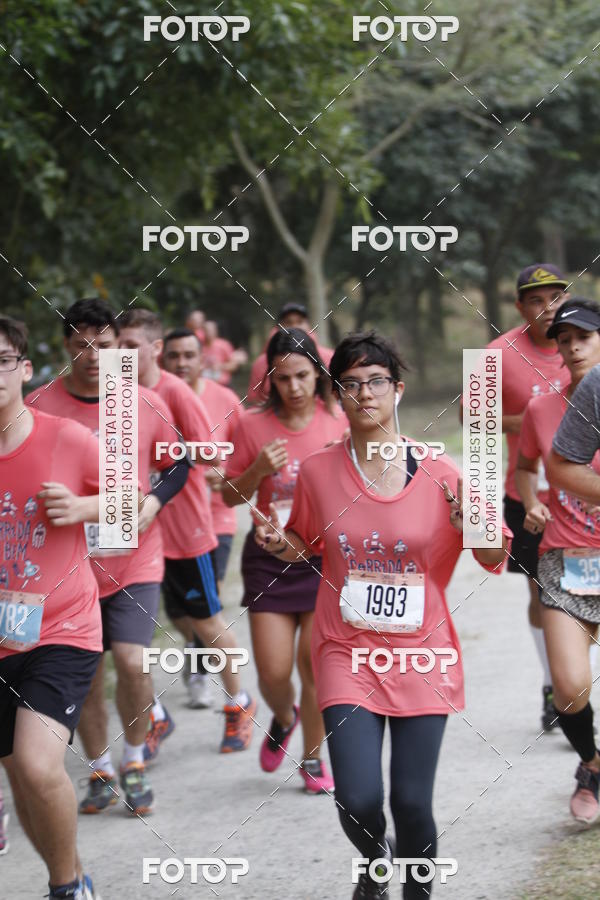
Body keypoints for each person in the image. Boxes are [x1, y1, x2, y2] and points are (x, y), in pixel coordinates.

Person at [256, 331, 510, 898]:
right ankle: (375, 863)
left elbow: (494, 555)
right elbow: (305, 540)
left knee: (412, 802)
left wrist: (475, 520)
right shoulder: (319, 472)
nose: (364, 393)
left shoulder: (443, 472)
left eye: (376, 381)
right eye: (350, 384)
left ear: (397, 389)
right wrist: (280, 542)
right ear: (337, 394)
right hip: (345, 650)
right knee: (359, 797)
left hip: (425, 654)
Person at [27, 299, 188, 816]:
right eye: (81, 344)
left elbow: (179, 461)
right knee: (91, 678)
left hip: (135, 559)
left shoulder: (140, 401)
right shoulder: (39, 405)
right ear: (66, 347)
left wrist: (155, 502)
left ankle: (135, 758)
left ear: (120, 346)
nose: (94, 355)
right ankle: (99, 767)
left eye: (104, 344)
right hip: (68, 568)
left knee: (133, 662)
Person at [118, 309, 256, 751]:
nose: (121, 355)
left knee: (207, 622)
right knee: (145, 630)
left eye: (131, 346)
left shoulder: (173, 392)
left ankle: (239, 701)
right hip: (133, 538)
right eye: (115, 347)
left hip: (185, 530)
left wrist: (163, 460)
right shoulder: (115, 394)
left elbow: (213, 452)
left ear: (152, 348)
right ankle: (154, 716)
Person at [0, 316, 102, 899]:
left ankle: (68, 888)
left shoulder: (66, 437)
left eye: (3, 361)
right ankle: (65, 874)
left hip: (61, 628)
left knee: (39, 767)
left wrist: (85, 510)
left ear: (25, 368)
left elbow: (130, 507)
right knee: (22, 778)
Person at [223, 328, 347, 793]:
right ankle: (282, 714)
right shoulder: (251, 425)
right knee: (274, 672)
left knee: (313, 665)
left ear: (318, 374)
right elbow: (228, 494)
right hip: (269, 559)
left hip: (324, 557)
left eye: (302, 376)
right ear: (269, 381)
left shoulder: (338, 421)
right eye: (283, 379)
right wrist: (257, 469)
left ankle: (313, 759)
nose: (293, 388)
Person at [479, 264, 570, 731]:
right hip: (528, 494)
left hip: (586, 496)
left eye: (555, 297)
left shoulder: (586, 343)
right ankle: (554, 683)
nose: (548, 307)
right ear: (520, 307)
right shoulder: (496, 353)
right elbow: (469, 419)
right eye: (536, 300)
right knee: (543, 592)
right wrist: (532, 419)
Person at [162, 327, 242, 708]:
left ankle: (202, 673)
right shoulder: (151, 399)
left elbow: (246, 452)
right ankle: (196, 655)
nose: (181, 363)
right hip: (168, 521)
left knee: (207, 606)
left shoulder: (224, 399)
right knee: (180, 612)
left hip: (216, 519)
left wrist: (227, 475)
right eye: (174, 355)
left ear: (202, 359)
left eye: (188, 355)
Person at [542, 302, 600, 823]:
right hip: (564, 551)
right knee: (569, 683)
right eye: (563, 338)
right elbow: (494, 449)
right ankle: (592, 764)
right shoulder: (493, 360)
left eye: (584, 335)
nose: (574, 345)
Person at [247, 303, 334, 403]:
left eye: (300, 321)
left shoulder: (330, 357)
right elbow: (256, 402)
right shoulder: (261, 364)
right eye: (288, 322)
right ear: (278, 327)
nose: (294, 326)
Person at [202, 320, 247, 386]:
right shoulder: (200, 347)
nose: (208, 332)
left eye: (211, 330)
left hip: (223, 384)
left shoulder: (224, 345)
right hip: (206, 385)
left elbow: (234, 366)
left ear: (216, 331)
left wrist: (220, 366)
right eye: (206, 330)